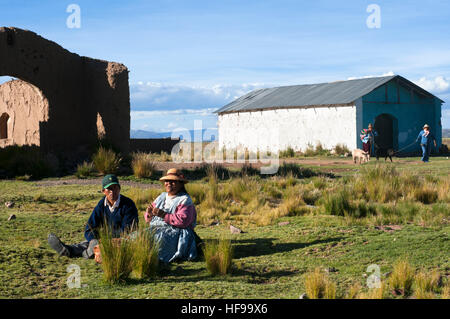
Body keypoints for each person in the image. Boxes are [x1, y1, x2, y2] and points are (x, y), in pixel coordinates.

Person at [47, 174, 139, 258]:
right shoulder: (101, 205)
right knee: (87, 243)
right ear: (103, 191)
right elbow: (89, 228)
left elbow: (128, 230)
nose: (112, 191)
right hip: (103, 239)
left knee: (97, 246)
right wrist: (95, 240)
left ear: (119, 188)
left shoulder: (128, 205)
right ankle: (68, 250)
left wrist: (106, 241)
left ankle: (85, 253)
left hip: (122, 241)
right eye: (109, 189)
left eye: (115, 188)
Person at [144, 168, 200, 263]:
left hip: (178, 232)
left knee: (159, 239)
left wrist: (163, 215)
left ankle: (152, 260)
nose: (169, 183)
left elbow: (183, 221)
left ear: (180, 184)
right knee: (141, 235)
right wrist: (149, 214)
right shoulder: (161, 197)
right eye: (167, 181)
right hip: (157, 228)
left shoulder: (185, 199)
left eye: (173, 181)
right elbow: (149, 218)